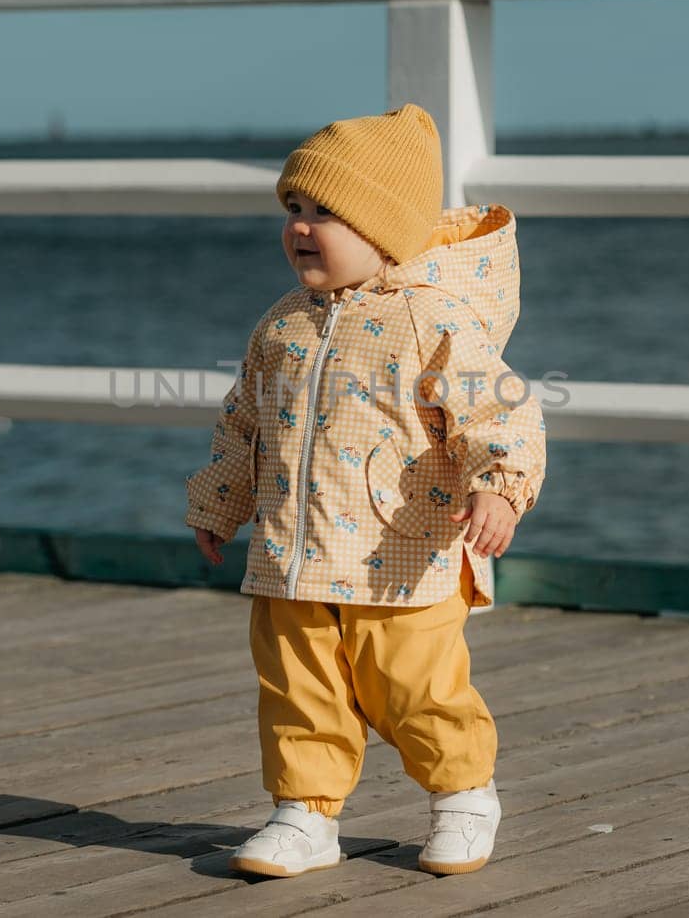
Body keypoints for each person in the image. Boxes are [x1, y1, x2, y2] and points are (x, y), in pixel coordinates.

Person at [184, 102, 547, 878]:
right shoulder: (282, 325)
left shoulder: (432, 319)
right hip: (291, 553)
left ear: (385, 229)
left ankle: (463, 795)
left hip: (401, 552)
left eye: (328, 213)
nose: (302, 228)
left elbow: (498, 409)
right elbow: (245, 421)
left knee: (416, 689)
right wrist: (220, 499)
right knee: (296, 687)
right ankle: (304, 813)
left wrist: (501, 488)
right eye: (294, 209)